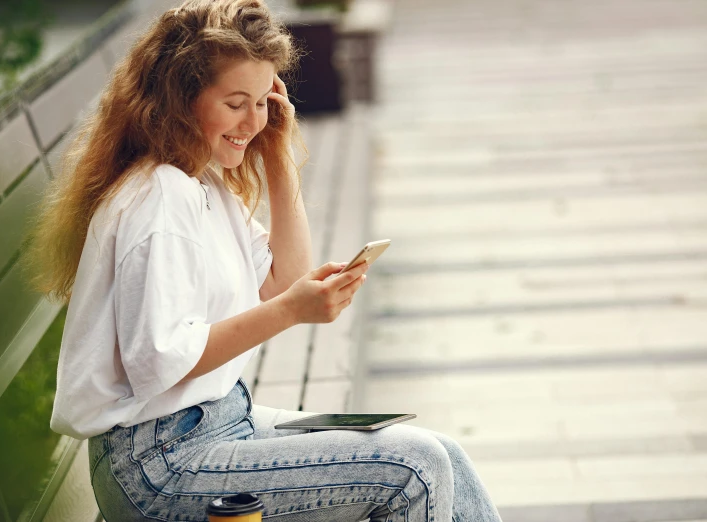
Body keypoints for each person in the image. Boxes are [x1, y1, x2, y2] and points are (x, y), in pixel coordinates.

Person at [25, 0, 502, 520]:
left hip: (217, 421)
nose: (252, 119)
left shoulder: (199, 179)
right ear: (182, 99)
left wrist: (277, 152)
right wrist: (290, 311)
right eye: (236, 103)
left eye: (262, 101)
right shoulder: (158, 199)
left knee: (442, 453)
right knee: (415, 467)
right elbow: (159, 360)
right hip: (160, 465)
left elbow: (285, 279)